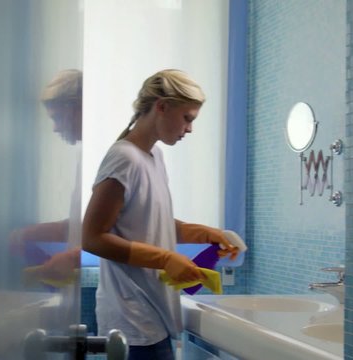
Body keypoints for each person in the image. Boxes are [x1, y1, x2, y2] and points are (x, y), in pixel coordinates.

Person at [82, 69, 240, 359]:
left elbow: (150, 223)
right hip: (131, 320)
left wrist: (203, 233)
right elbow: (92, 238)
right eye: (187, 118)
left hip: (154, 316)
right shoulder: (123, 158)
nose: (190, 129)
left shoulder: (154, 157)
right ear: (162, 106)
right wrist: (166, 258)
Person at [10, 69, 83, 285]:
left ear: (79, 108)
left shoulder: (113, 158)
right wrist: (26, 234)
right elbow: (80, 227)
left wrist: (70, 258)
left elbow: (121, 236)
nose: (56, 127)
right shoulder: (86, 159)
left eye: (58, 117)